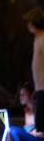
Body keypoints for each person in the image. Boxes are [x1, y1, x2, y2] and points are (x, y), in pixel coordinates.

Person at [23, 9, 44, 138]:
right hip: (40, 87)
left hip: (43, 87)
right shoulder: (38, 40)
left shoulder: (42, 40)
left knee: (42, 128)